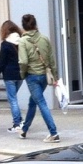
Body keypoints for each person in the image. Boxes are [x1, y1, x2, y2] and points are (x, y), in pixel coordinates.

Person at [17, 13, 60, 142]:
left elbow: (23, 61)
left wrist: (23, 74)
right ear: (35, 24)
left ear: (23, 26)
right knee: (33, 102)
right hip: (45, 76)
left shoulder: (23, 41)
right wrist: (55, 76)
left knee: (41, 103)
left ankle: (53, 133)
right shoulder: (44, 38)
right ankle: (24, 130)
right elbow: (51, 59)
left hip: (32, 76)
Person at [0, 19, 23, 132]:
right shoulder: (22, 41)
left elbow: (1, 62)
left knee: (12, 99)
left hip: (9, 75)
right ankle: (20, 120)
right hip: (20, 75)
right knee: (14, 98)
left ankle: (17, 124)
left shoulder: (5, 44)